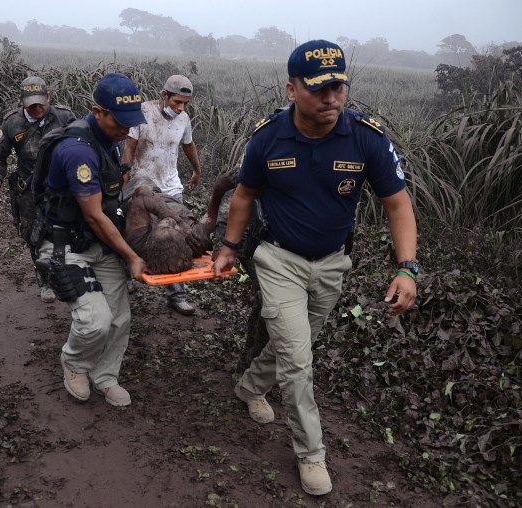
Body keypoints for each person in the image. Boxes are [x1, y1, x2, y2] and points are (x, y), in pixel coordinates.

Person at [213, 40, 418, 497]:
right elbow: (244, 195)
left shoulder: (366, 137)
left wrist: (407, 268)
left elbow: (397, 204)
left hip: (331, 264)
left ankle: (248, 387)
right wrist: (228, 246)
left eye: (339, 87)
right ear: (291, 89)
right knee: (299, 360)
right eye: (319, 88)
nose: (331, 98)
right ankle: (311, 455)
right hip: (277, 258)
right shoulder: (267, 138)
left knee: (298, 343)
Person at [31, 73, 147, 407]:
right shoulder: (76, 151)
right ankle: (74, 364)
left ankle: (106, 375)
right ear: (98, 112)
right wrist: (131, 257)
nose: (127, 130)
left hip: (100, 241)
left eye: (130, 123)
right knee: (95, 322)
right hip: (66, 244)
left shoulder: (109, 138)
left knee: (120, 317)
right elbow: (95, 215)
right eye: (120, 122)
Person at [122, 74, 203, 315]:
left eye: (185, 104)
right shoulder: (142, 112)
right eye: (177, 102)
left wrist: (197, 169)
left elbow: (188, 144)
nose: (180, 108)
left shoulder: (184, 119)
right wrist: (124, 179)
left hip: (170, 187)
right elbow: (129, 147)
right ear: (164, 95)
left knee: (175, 238)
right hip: (142, 185)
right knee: (134, 235)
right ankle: (125, 282)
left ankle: (177, 294)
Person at [0, 76, 76, 301]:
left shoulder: (64, 117)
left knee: (67, 231)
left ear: (49, 97)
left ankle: (69, 274)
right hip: (29, 188)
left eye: (41, 103)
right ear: (22, 102)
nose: (37, 109)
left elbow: (82, 145)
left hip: (62, 187)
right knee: (34, 236)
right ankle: (45, 281)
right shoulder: (12, 123)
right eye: (31, 105)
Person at [123, 173, 234, 274]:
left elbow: (141, 193)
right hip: (158, 197)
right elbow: (209, 218)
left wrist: (175, 220)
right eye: (173, 226)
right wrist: (219, 189)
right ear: (185, 243)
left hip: (133, 192)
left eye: (161, 225)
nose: (168, 220)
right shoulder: (195, 239)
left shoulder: (138, 242)